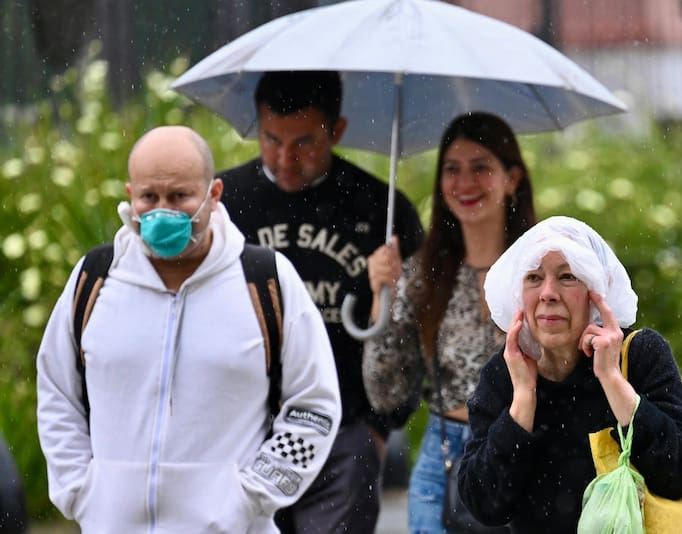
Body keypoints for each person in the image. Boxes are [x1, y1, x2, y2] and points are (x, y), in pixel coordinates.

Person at [35, 125, 342, 533]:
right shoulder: (95, 278)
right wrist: (79, 489)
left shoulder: (265, 280)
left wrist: (251, 497)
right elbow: (56, 392)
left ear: (214, 194)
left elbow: (314, 404)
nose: (163, 211)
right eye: (149, 197)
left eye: (180, 196)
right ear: (130, 194)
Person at [218, 70, 424, 533]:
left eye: (304, 143)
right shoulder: (224, 205)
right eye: (272, 140)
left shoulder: (381, 209)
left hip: (343, 434)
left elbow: (414, 335)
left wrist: (377, 429)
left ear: (337, 130)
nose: (285, 159)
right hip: (242, 430)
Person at [457, 216, 682, 532]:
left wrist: (612, 380)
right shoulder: (504, 372)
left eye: (567, 276)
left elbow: (680, 473)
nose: (548, 293)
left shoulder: (640, 355)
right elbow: (485, 504)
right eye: (533, 277)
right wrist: (522, 401)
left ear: (596, 291)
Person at [362, 111, 536, 532]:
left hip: (522, 456)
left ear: (512, 178)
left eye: (481, 168)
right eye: (452, 170)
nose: (465, 183)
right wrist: (381, 302)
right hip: (443, 463)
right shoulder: (423, 276)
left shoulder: (540, 270)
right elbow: (385, 393)